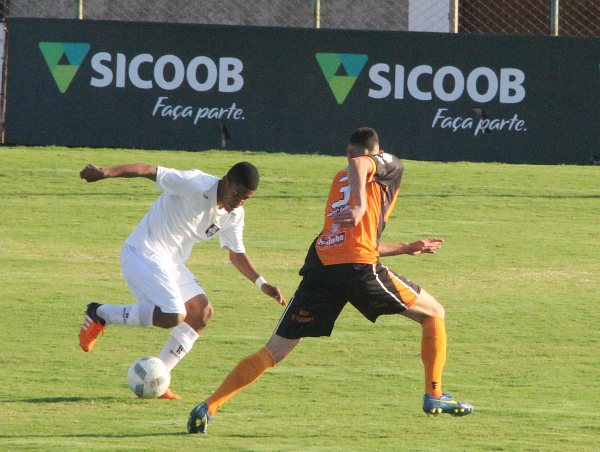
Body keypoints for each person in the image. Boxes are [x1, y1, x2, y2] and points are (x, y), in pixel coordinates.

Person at [187, 127, 473, 433]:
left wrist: (405, 247)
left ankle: (207, 407)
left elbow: (352, 239)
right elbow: (362, 165)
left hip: (323, 266)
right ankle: (434, 394)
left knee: (274, 351)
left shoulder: (340, 182)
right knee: (434, 313)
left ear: (346, 152)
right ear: (376, 153)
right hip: (356, 267)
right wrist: (362, 204)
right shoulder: (384, 165)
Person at [78, 161, 285, 400]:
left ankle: (159, 378)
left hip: (170, 262)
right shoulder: (195, 184)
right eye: (237, 195)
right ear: (226, 181)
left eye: (245, 199)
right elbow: (149, 170)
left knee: (201, 313)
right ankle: (101, 314)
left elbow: (236, 253)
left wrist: (262, 283)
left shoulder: (234, 215)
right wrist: (105, 173)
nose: (238, 203)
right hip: (142, 251)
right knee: (173, 314)